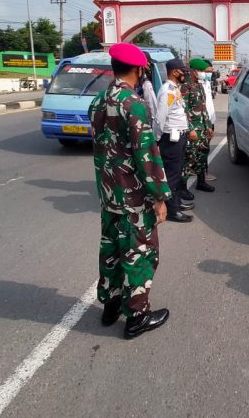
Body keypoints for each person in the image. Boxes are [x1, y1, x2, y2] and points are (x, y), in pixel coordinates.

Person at [88, 43, 171, 339]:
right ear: (139, 69)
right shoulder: (132, 104)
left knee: (110, 251)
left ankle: (110, 305)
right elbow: (146, 154)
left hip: (109, 195)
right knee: (140, 254)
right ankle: (136, 316)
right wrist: (160, 197)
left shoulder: (98, 101)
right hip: (133, 199)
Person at [155, 58, 194, 222]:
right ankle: (172, 210)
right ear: (174, 72)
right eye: (183, 70)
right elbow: (159, 118)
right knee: (171, 176)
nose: (186, 73)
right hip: (171, 139)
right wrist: (156, 141)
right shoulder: (167, 91)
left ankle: (176, 203)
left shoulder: (174, 89)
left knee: (176, 174)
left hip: (179, 137)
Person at [180, 58, 215, 196]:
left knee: (202, 156)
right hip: (193, 129)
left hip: (203, 128)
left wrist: (209, 126)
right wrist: (190, 129)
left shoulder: (199, 85)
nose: (204, 74)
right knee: (189, 159)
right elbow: (184, 109)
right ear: (194, 71)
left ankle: (201, 182)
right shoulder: (185, 86)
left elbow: (203, 108)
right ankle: (182, 188)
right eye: (202, 71)